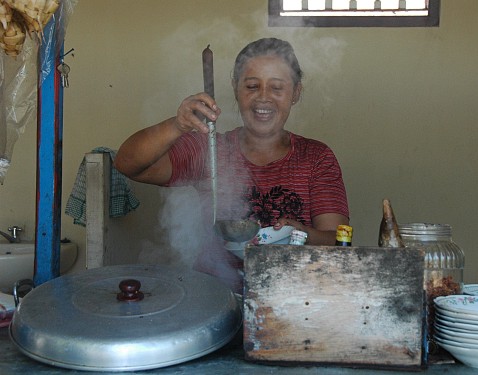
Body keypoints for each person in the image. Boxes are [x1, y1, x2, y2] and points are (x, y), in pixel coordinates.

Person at [115, 38, 349, 292]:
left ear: (296, 93)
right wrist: (177, 125)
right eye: (251, 86)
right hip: (215, 297)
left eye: (277, 88)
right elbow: (128, 163)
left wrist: (301, 233)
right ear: (235, 89)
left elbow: (337, 239)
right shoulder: (210, 148)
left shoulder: (316, 157)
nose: (263, 98)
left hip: (293, 299)